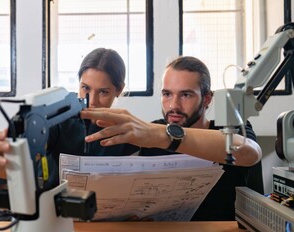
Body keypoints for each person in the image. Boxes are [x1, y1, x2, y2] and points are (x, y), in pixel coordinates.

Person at [80, 56, 263, 221]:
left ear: (207, 99)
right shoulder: (152, 133)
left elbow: (250, 153)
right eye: (167, 94)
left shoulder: (232, 129)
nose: (173, 105)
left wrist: (166, 136)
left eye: (185, 95)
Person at [0, 48, 139, 192]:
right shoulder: (55, 119)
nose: (92, 101)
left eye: (103, 92)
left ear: (119, 90)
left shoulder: (127, 131)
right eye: (85, 88)